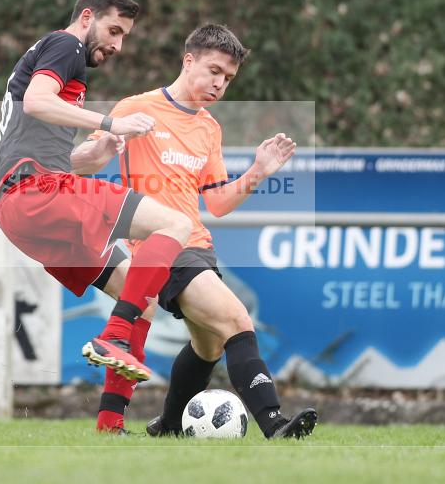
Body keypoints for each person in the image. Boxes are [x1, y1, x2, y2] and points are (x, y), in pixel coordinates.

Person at [75, 24, 318, 438]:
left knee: (208, 346)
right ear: (188, 61)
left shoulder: (209, 128)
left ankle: (168, 426)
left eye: (228, 78)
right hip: (162, 247)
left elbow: (218, 203)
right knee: (238, 321)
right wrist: (103, 145)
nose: (220, 84)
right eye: (214, 71)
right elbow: (80, 163)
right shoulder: (138, 107)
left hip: (199, 248)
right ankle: (274, 423)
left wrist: (258, 172)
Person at [0, 0, 193, 383]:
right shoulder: (65, 46)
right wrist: (110, 122)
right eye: (114, 31)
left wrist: (90, 157)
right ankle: (113, 336)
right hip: (36, 195)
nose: (118, 45)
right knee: (176, 225)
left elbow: (37, 138)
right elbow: (36, 100)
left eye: (124, 36)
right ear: (87, 17)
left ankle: (111, 425)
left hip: (21, 209)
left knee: (141, 297)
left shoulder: (55, 58)